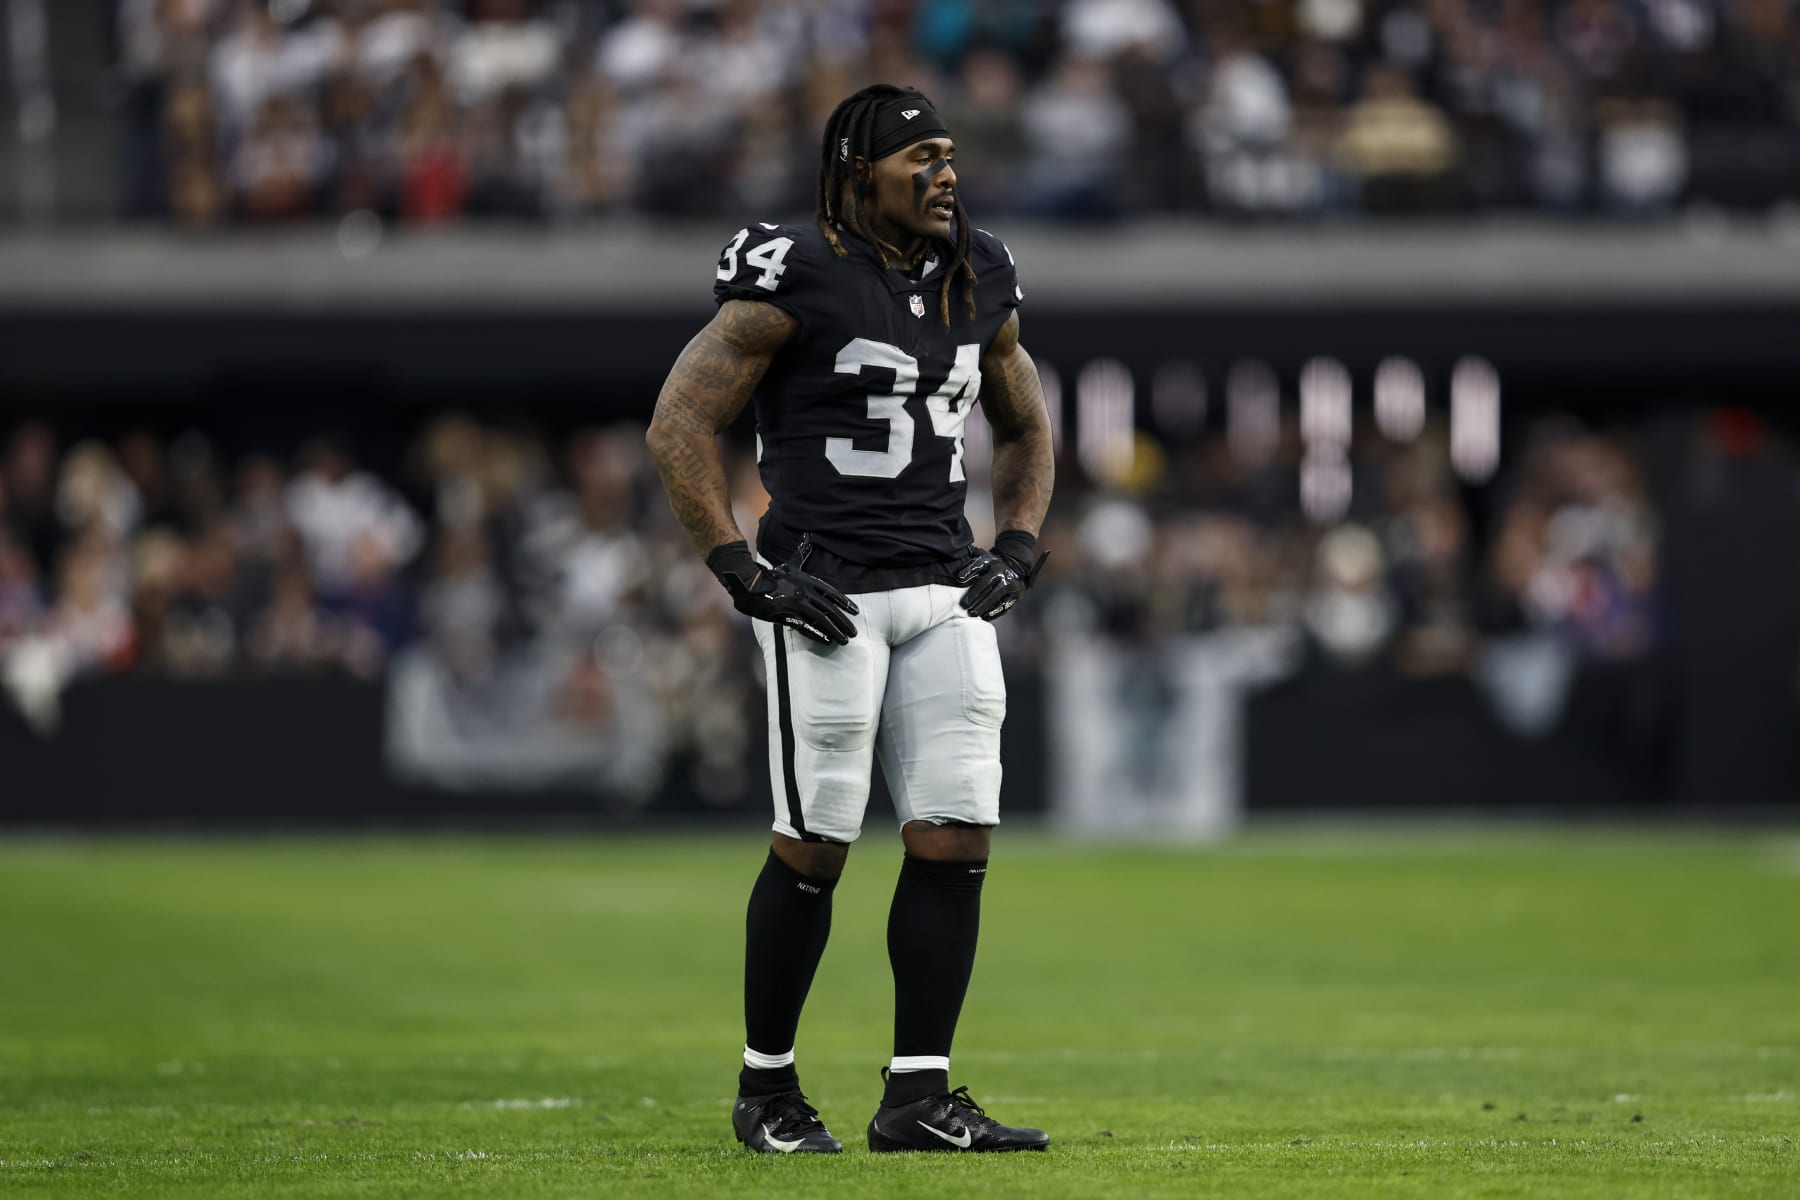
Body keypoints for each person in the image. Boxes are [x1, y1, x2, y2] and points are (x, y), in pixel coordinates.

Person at [645, 83, 1055, 1154]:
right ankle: (766, 1089)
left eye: (951, 154)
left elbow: (1024, 422)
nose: (946, 174)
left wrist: (1017, 542)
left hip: (944, 583)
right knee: (816, 840)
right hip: (825, 589)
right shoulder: (797, 269)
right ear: (859, 173)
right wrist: (739, 568)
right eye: (922, 157)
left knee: (956, 830)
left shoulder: (979, 271)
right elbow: (680, 419)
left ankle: (917, 1095)